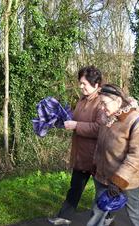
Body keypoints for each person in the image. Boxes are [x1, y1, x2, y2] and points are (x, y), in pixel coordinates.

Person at [48, 66, 114, 226]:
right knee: (75, 187)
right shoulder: (83, 99)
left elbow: (100, 128)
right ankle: (65, 217)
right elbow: (76, 118)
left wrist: (76, 125)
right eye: (80, 83)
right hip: (81, 153)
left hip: (96, 156)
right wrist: (60, 117)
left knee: (103, 192)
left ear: (96, 83)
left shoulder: (102, 102)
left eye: (84, 83)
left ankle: (107, 217)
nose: (81, 86)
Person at [86, 84, 139, 226]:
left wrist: (118, 181)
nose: (102, 107)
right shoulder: (106, 119)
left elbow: (137, 156)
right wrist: (96, 167)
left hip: (128, 180)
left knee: (135, 211)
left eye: (104, 103)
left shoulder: (136, 121)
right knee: (98, 211)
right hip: (103, 177)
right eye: (100, 103)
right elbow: (101, 146)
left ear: (118, 101)